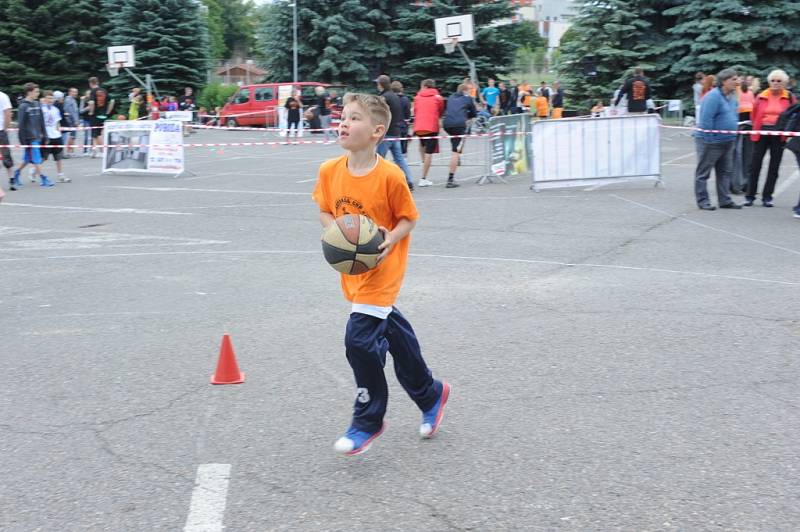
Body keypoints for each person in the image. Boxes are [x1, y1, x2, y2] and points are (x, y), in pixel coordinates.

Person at [312, 92, 450, 456]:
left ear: (376, 131)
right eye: (343, 116)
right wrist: (338, 231)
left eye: (354, 118)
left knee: (359, 341)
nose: (344, 122)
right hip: (353, 268)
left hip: (383, 268)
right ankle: (430, 392)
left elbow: (409, 218)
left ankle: (367, 420)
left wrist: (392, 238)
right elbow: (325, 211)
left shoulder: (389, 176)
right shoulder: (329, 171)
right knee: (391, 331)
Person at [745, 69, 798, 207]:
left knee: (774, 166)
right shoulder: (761, 96)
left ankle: (767, 197)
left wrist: (787, 131)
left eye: (779, 81)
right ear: (769, 82)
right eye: (773, 81)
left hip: (779, 133)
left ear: (784, 83)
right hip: (761, 131)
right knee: (755, 165)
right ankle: (750, 196)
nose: (775, 83)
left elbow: (794, 115)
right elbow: (754, 114)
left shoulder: (789, 97)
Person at [693, 69, 742, 210]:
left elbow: (733, 116)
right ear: (724, 81)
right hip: (711, 141)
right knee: (704, 173)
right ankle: (703, 201)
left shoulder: (732, 97)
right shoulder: (713, 96)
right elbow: (706, 119)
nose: (737, 82)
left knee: (725, 172)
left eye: (737, 79)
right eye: (733, 79)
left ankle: (725, 200)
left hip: (728, 140)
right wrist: (709, 139)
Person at [375, 75, 414, 190]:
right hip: (396, 132)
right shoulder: (394, 96)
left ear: (381, 84)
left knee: (378, 159)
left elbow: (378, 113)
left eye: (377, 83)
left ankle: (378, 183)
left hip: (386, 133)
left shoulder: (384, 97)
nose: (377, 85)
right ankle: (409, 180)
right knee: (399, 159)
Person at [13, 82, 52, 187]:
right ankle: (44, 178)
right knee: (36, 158)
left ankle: (16, 174)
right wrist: (22, 140)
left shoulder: (37, 104)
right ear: (29, 92)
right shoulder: (23, 106)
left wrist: (45, 134)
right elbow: (21, 125)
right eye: (36, 92)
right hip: (29, 138)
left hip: (38, 136)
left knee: (27, 160)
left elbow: (42, 121)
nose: (38, 94)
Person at [442, 84, 477, 189]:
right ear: (465, 91)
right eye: (469, 91)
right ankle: (450, 179)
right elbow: (474, 113)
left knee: (456, 143)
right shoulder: (468, 99)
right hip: (459, 124)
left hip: (447, 124)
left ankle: (457, 155)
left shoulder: (451, 97)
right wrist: (468, 116)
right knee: (455, 151)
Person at [412, 78, 445, 187]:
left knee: (422, 146)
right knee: (429, 153)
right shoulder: (438, 97)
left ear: (425, 86)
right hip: (431, 127)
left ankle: (424, 164)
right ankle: (423, 178)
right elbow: (440, 111)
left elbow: (415, 110)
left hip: (419, 127)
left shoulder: (417, 97)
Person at [40, 90, 69, 183]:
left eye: (51, 98)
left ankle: (60, 175)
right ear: (44, 99)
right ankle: (34, 171)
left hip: (56, 136)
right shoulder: (41, 109)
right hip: (46, 136)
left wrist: (58, 131)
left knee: (59, 156)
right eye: (48, 98)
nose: (50, 100)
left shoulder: (55, 109)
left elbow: (57, 122)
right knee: (44, 157)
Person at [87, 76, 114, 158]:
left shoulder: (93, 91)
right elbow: (112, 101)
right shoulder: (104, 90)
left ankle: (96, 151)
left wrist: (91, 111)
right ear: (97, 82)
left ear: (91, 83)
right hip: (103, 115)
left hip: (95, 115)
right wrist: (108, 111)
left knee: (94, 134)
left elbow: (91, 102)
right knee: (98, 133)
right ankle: (101, 151)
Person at [390, 81, 411, 154]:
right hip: (403, 126)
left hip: (392, 126)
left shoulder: (390, 99)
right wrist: (407, 121)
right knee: (402, 149)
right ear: (401, 89)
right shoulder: (405, 99)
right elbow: (407, 113)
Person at [0, 87, 15, 190]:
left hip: (1, 130)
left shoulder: (2, 96)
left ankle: (12, 180)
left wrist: (6, 127)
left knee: (6, 156)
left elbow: (8, 113)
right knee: (5, 155)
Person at [62, 88, 79, 157]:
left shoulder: (73, 100)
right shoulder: (68, 100)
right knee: (72, 136)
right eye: (73, 92)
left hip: (74, 120)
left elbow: (75, 111)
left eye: (76, 92)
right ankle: (69, 152)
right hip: (71, 121)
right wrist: (75, 121)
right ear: (69, 92)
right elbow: (70, 112)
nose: (75, 93)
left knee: (73, 136)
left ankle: (71, 151)